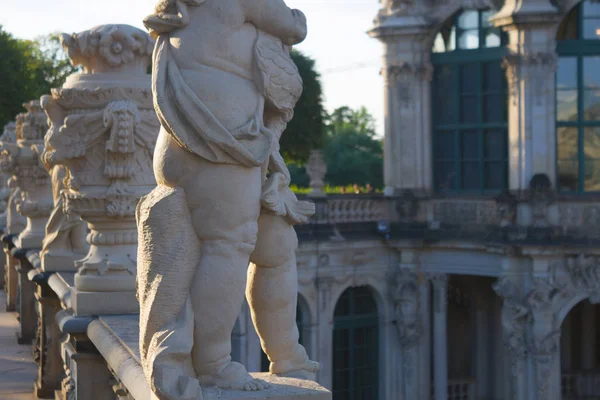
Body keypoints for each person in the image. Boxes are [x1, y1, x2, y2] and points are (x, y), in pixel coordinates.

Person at [137, 0, 318, 397]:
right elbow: (292, 25)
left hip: (197, 142)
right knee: (229, 243)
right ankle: (213, 364)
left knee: (275, 243)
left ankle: (288, 355)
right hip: (221, 142)